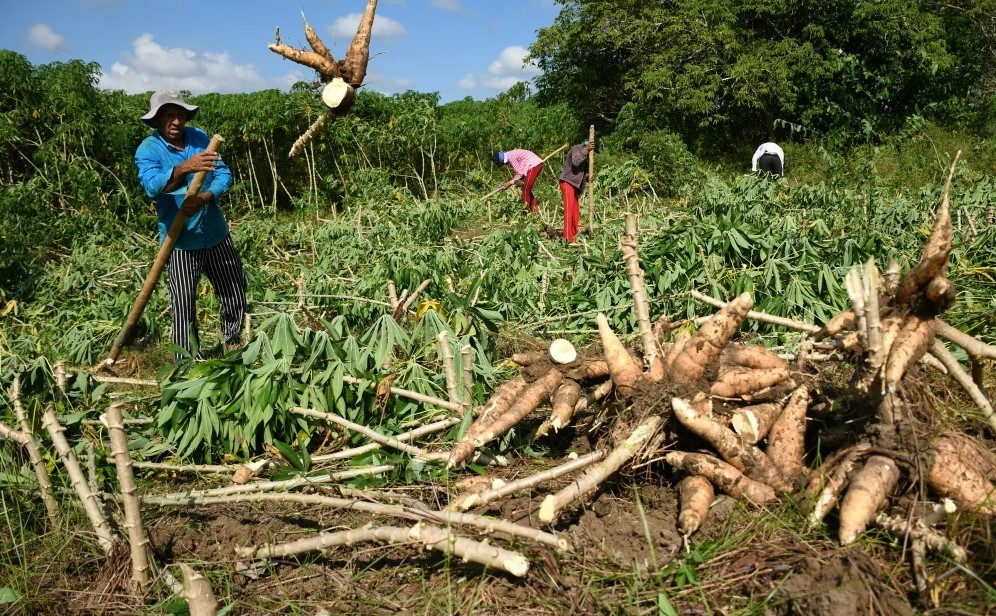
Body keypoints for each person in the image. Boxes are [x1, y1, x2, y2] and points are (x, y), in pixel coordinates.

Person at [135, 89, 247, 360]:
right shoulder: (149, 149)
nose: (176, 121)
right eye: (169, 116)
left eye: (180, 115)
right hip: (181, 241)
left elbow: (223, 173)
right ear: (157, 120)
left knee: (233, 288)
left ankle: (232, 341)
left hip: (215, 232)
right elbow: (152, 187)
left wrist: (206, 197)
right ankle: (186, 360)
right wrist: (185, 167)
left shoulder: (200, 138)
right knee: (183, 302)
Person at [558, 138, 595, 243]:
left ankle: (573, 237)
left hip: (575, 186)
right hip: (567, 182)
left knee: (575, 212)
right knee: (569, 210)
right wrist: (586, 150)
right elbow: (575, 162)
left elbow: (582, 174)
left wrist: (589, 177)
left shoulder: (586, 156)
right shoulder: (577, 148)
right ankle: (567, 238)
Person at [491, 148, 544, 213]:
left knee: (525, 190)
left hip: (534, 165)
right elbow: (521, 172)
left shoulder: (511, 157)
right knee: (527, 190)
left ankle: (526, 212)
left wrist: (509, 183)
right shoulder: (510, 154)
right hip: (535, 164)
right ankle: (536, 211)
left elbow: (520, 173)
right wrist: (513, 182)